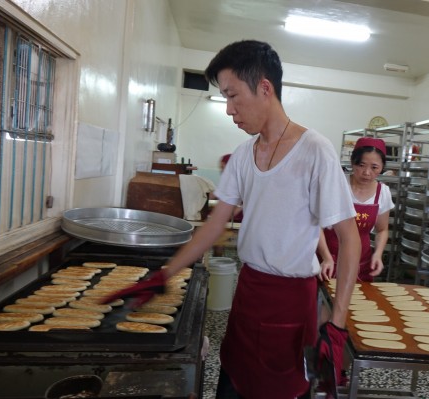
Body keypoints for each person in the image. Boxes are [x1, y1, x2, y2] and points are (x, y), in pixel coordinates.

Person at [104, 40, 361, 399]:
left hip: (290, 301)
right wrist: (165, 273)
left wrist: (337, 325)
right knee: (233, 384)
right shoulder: (243, 155)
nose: (228, 109)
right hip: (249, 292)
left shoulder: (315, 151)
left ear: (265, 88)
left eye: (232, 95)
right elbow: (213, 226)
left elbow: (350, 239)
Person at [318, 137, 394, 282]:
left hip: (361, 263)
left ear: (382, 167)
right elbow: (317, 226)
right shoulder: (337, 186)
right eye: (361, 165)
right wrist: (326, 257)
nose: (366, 172)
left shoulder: (382, 193)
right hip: (327, 259)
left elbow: (382, 230)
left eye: (374, 167)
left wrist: (377, 254)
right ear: (352, 162)